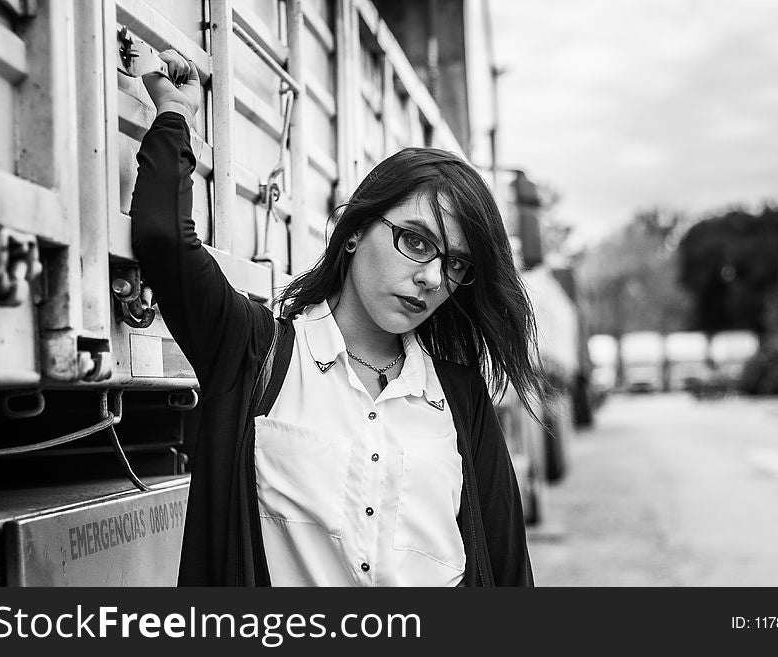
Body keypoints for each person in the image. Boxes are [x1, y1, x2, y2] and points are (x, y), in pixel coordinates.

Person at [132, 51, 544, 586]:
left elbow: (511, 578)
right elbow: (163, 238)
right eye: (416, 241)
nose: (433, 278)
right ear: (353, 232)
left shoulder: (461, 400)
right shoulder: (255, 355)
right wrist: (175, 112)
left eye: (456, 263)